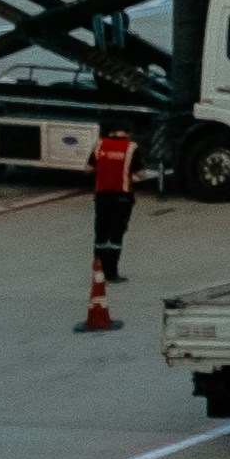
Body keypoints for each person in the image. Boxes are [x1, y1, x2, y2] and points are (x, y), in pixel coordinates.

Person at [82, 126, 141, 332]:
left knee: (101, 233)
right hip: (122, 197)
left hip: (102, 196)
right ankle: (112, 272)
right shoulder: (132, 148)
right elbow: (139, 174)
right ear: (126, 132)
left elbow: (89, 168)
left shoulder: (100, 145)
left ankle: (98, 268)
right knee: (116, 235)